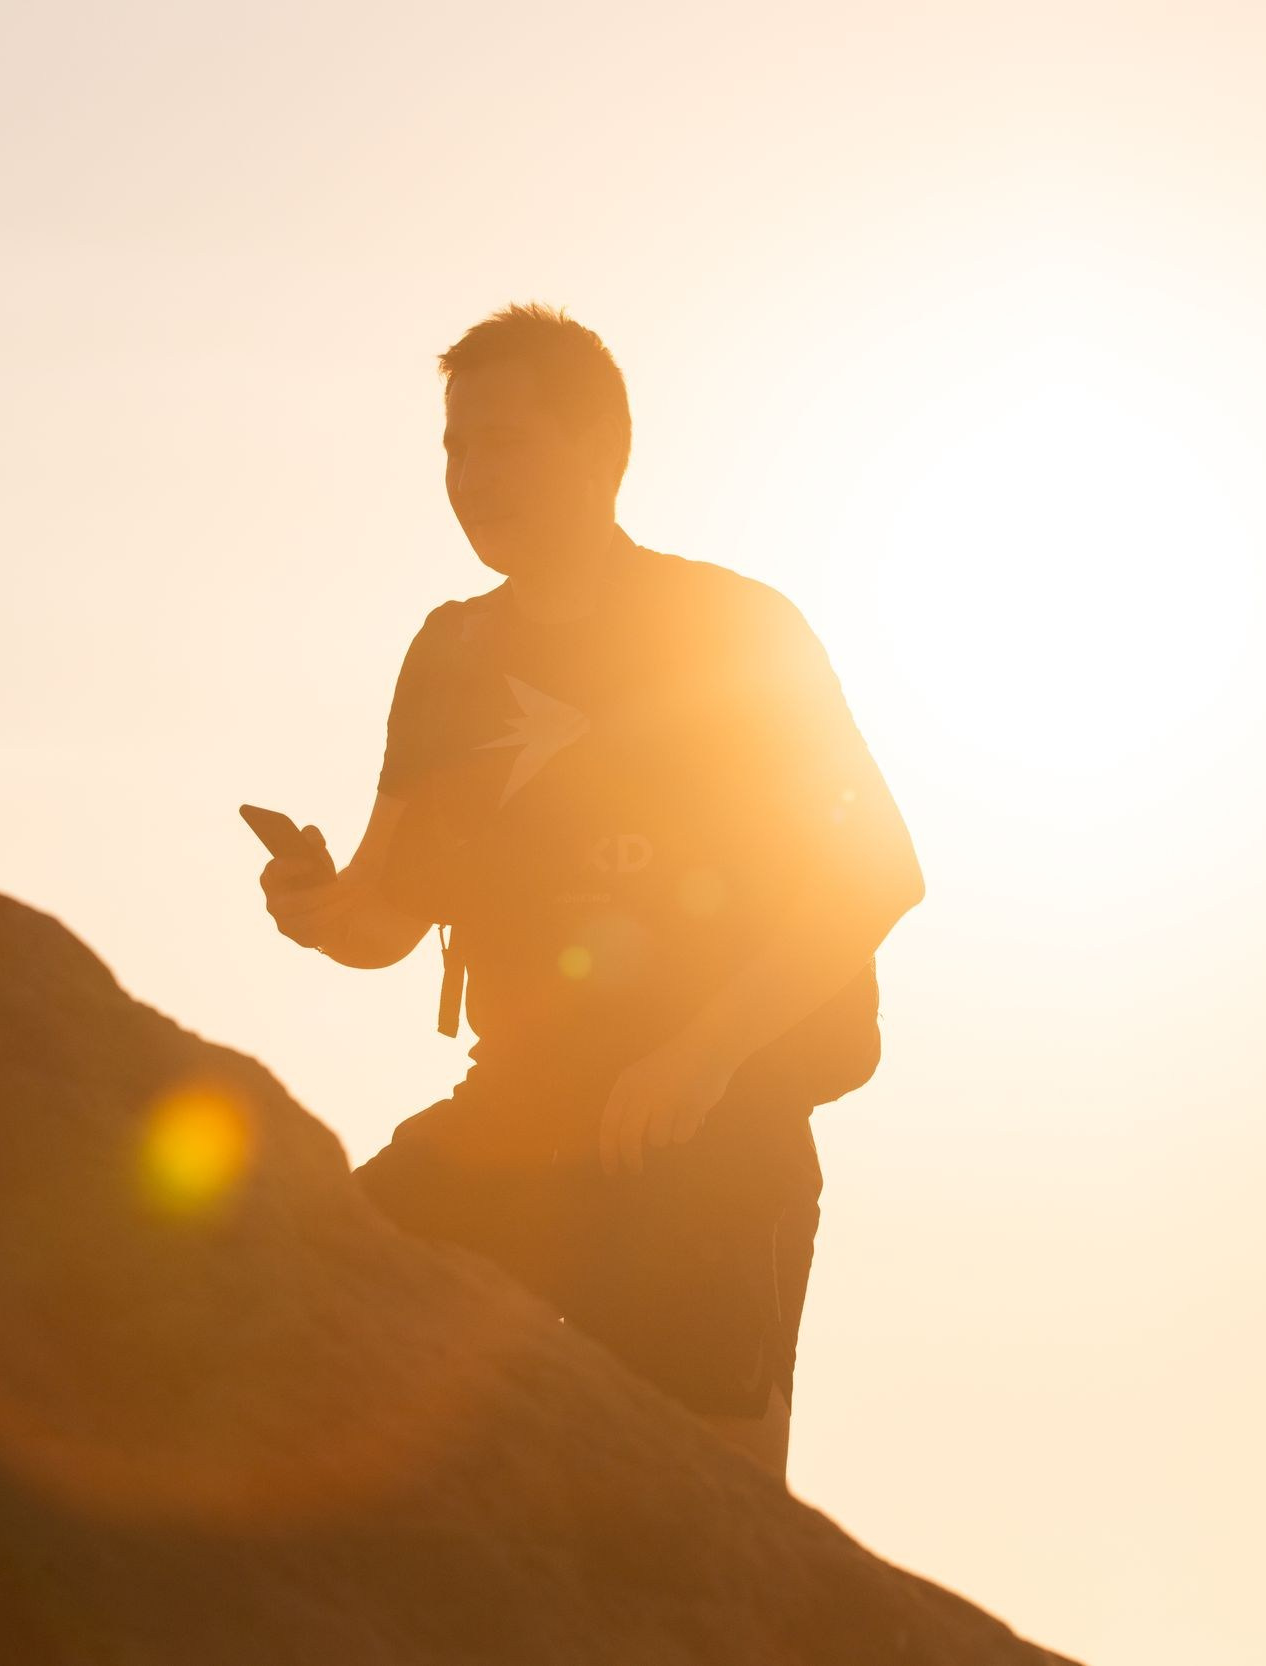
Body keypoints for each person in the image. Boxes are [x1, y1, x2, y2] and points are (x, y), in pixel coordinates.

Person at [261, 302, 924, 1486]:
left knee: (710, 1528)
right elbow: (384, 917)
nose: (470, 478)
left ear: (599, 450)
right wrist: (318, 911)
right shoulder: (450, 654)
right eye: (455, 449)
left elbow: (871, 870)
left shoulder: (729, 629)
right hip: (513, 1120)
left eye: (502, 444)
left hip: (714, 1141)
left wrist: (699, 1055)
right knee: (305, 1301)